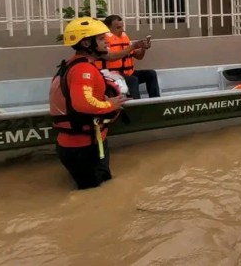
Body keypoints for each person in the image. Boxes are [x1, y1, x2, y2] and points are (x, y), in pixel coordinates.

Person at [49, 16, 129, 189]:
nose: (107, 42)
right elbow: (83, 104)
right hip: (83, 146)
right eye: (101, 39)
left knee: (99, 192)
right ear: (86, 44)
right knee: (94, 194)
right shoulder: (83, 69)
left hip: (83, 142)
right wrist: (111, 105)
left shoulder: (74, 65)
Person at [97, 15, 161, 99]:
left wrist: (143, 48)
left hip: (127, 73)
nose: (122, 30)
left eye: (122, 27)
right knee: (133, 80)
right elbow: (110, 57)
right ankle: (136, 105)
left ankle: (156, 101)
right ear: (107, 28)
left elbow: (139, 56)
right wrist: (133, 46)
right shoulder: (103, 40)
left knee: (151, 74)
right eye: (118, 28)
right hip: (111, 75)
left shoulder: (124, 37)